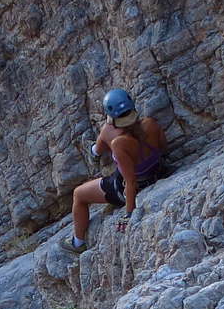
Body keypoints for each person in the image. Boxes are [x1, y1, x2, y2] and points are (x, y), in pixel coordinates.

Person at [69, 88, 165, 250]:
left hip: (130, 186)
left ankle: (77, 243)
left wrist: (128, 215)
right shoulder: (150, 123)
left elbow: (130, 182)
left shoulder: (118, 142)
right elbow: (162, 147)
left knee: (78, 194)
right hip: (157, 172)